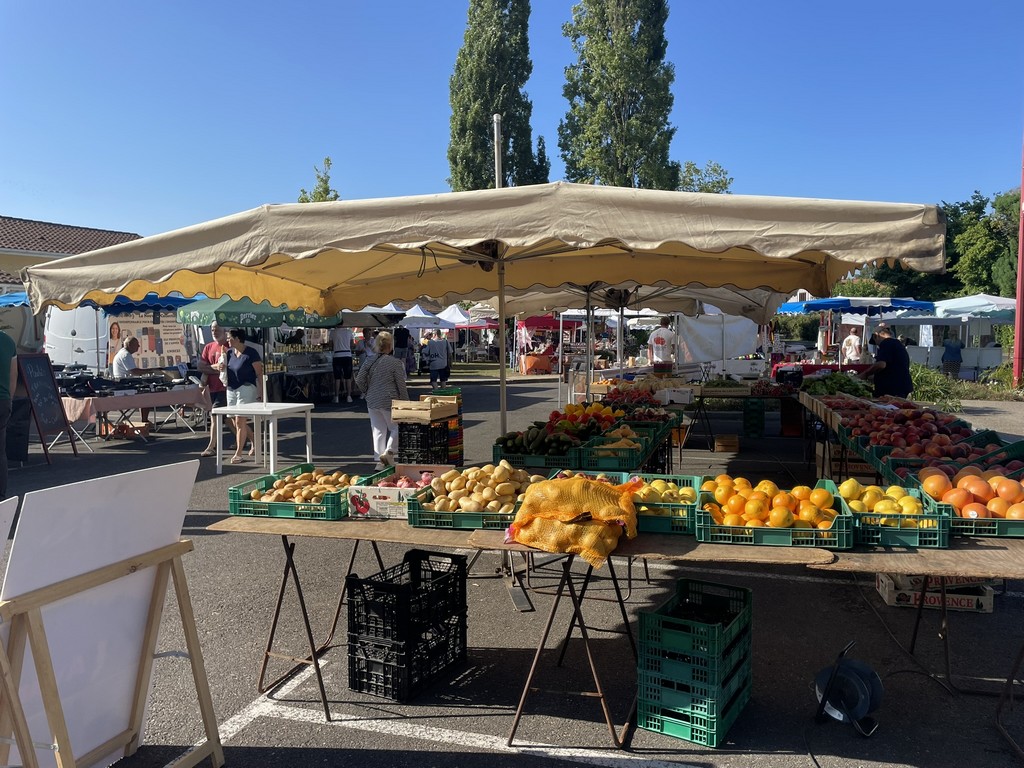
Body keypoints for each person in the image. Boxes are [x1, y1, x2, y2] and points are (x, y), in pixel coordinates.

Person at [354, 331, 408, 470]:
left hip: (372, 400)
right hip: (389, 399)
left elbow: (359, 379)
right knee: (398, 427)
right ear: (390, 346)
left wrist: (367, 392)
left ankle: (379, 461)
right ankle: (389, 452)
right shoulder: (395, 363)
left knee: (378, 430)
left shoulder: (369, 360)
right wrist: (406, 402)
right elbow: (401, 385)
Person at [219, 328, 264, 464]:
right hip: (231, 389)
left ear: (237, 339)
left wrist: (261, 392)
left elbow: (259, 374)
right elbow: (223, 367)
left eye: (229, 338)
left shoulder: (251, 353)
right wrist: (220, 367)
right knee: (234, 420)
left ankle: (238, 453)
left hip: (246, 387)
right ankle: (256, 441)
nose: (227, 340)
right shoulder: (229, 353)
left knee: (240, 421)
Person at [198, 323, 228, 457]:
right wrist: (215, 368)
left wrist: (211, 368)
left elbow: (227, 368)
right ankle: (251, 438)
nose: (214, 332)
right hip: (212, 388)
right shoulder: (208, 347)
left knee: (214, 415)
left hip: (225, 388)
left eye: (217, 330)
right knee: (228, 419)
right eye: (212, 330)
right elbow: (201, 366)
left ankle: (211, 446)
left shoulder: (229, 346)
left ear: (224, 331)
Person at [859, 325, 912, 399]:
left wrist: (865, 373)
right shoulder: (897, 344)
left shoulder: (886, 343)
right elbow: (892, 367)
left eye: (875, 342)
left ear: (876, 336)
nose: (877, 345)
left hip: (892, 388)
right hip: (901, 385)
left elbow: (881, 364)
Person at [0, 331, 16, 500]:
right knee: (0, 453)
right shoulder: (8, 341)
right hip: (3, 401)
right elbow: (14, 375)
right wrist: (9, 399)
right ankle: (1, 495)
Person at [330, 323, 354, 403]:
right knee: (348, 377)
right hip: (347, 354)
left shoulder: (333, 332)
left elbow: (330, 346)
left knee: (337, 377)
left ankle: (336, 397)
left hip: (337, 355)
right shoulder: (349, 332)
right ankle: (349, 396)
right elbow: (352, 345)